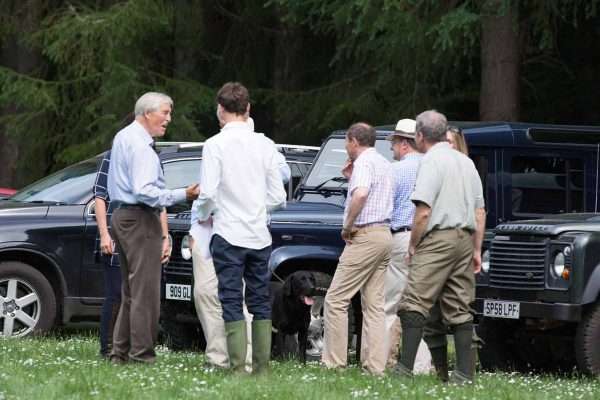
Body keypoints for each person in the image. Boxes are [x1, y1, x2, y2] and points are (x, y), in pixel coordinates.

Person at [194, 82, 286, 377]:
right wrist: (258, 210)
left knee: (231, 299)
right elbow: (279, 197)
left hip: (228, 232)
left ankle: (237, 370)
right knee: (259, 298)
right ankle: (261, 370)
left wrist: (207, 214)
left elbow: (207, 194)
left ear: (221, 111)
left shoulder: (215, 144)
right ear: (248, 109)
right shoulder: (265, 144)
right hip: (259, 234)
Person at [107, 92, 199, 364]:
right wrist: (184, 194)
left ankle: (119, 354)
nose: (169, 119)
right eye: (165, 113)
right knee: (145, 293)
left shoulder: (123, 136)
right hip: (139, 218)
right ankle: (143, 356)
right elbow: (146, 192)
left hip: (121, 216)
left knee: (130, 291)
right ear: (147, 113)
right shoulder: (142, 147)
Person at [395, 110, 485, 384]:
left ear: (420, 136)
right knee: (460, 307)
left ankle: (404, 373)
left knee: (413, 303)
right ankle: (462, 376)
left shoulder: (430, 161)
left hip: (438, 239)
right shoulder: (465, 162)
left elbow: (423, 211)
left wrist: (413, 245)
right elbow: (480, 211)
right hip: (464, 239)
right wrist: (476, 250)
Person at [322, 122, 393, 375]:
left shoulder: (363, 162)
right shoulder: (384, 163)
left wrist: (347, 225)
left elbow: (362, 195)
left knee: (336, 299)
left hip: (364, 235)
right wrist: (350, 180)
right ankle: (375, 368)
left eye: (346, 143)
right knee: (374, 305)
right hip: (385, 235)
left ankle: (334, 363)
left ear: (353, 141)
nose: (346, 147)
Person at [423, 122, 484, 381]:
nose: (445, 145)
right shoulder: (435, 167)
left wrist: (476, 250)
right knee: (430, 316)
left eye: (449, 141)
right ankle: (442, 375)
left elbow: (479, 212)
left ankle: (464, 376)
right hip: (434, 248)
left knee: (459, 313)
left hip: (455, 248)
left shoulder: (467, 169)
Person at [384, 119, 432, 373]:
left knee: (390, 304)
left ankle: (384, 361)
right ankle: (422, 366)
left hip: (402, 237)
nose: (391, 148)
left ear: (404, 143)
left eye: (393, 143)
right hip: (430, 240)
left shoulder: (395, 170)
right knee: (421, 305)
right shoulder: (431, 167)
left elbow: (384, 207)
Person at [94, 113, 135, 358]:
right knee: (116, 293)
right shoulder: (112, 157)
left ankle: (126, 347)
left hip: (139, 234)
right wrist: (104, 234)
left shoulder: (150, 158)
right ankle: (107, 348)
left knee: (134, 295)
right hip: (113, 231)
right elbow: (100, 196)